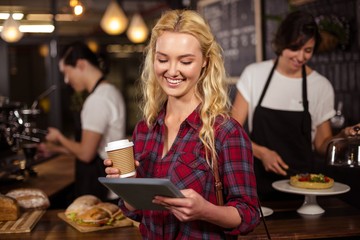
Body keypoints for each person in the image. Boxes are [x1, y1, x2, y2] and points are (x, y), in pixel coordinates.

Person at [104, 9, 260, 239]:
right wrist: (126, 186)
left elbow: (249, 215)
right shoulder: (144, 130)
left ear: (205, 62)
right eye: (163, 59)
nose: (172, 70)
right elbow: (136, 211)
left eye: (185, 61)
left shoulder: (226, 132)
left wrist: (206, 211)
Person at [231, 10, 360, 200]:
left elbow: (321, 146)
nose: (300, 57)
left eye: (307, 50)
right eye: (295, 48)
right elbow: (231, 132)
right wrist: (262, 153)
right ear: (282, 43)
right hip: (256, 186)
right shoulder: (254, 75)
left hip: (303, 189)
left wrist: (342, 136)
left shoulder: (320, 86)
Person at [40, 41, 126, 201]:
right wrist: (56, 149)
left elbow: (86, 154)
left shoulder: (97, 99)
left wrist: (59, 137)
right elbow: (95, 148)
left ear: (80, 65)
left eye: (66, 72)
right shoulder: (110, 91)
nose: (66, 80)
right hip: (112, 183)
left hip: (104, 188)